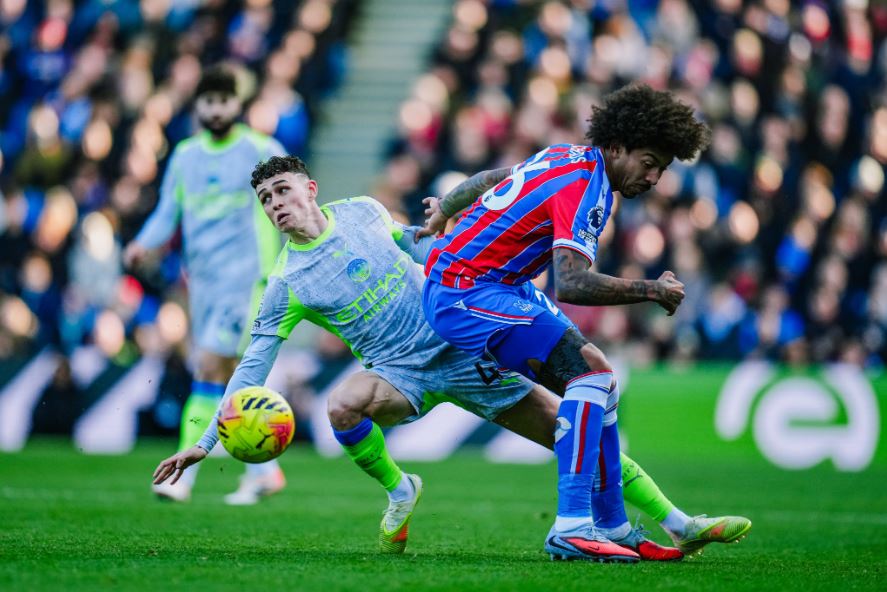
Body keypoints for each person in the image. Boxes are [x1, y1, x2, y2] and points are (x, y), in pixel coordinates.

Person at [153, 155, 750, 559]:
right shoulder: (286, 283)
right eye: (264, 200)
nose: (275, 205)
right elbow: (254, 364)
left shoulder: (361, 210)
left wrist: (447, 222)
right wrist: (205, 445)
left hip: (465, 339)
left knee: (572, 435)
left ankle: (678, 523)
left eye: (281, 190)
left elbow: (413, 242)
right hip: (400, 373)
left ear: (310, 189)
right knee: (342, 406)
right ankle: (398, 489)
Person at [419, 84, 747, 560]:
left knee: (600, 381)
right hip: (464, 292)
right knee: (591, 374)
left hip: (493, 285)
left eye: (662, 169)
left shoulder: (565, 155)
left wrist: (444, 211)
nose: (654, 178)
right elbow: (571, 284)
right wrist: (650, 289)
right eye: (650, 162)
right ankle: (572, 523)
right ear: (616, 147)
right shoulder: (587, 188)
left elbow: (492, 177)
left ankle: (612, 525)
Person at [124, 65, 287, 505]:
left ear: (238, 105)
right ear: (198, 106)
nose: (217, 109)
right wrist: (143, 243)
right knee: (233, 376)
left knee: (209, 368)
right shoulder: (184, 156)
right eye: (209, 101)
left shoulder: (261, 150)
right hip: (204, 283)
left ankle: (180, 478)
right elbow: (166, 211)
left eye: (224, 101)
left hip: (249, 279)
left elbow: (292, 203)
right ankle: (265, 471)